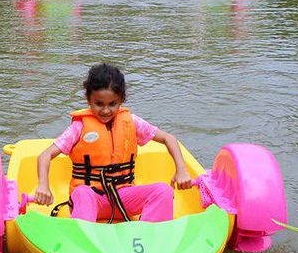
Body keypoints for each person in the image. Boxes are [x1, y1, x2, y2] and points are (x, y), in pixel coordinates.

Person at [33, 63, 193, 223]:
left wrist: (181, 170)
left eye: (112, 104)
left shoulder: (132, 122)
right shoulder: (79, 127)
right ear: (88, 99)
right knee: (82, 192)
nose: (105, 110)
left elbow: (168, 138)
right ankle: (85, 237)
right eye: (99, 104)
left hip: (124, 199)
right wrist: (43, 185)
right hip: (92, 200)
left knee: (163, 191)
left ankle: (148, 235)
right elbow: (45, 155)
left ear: (121, 99)